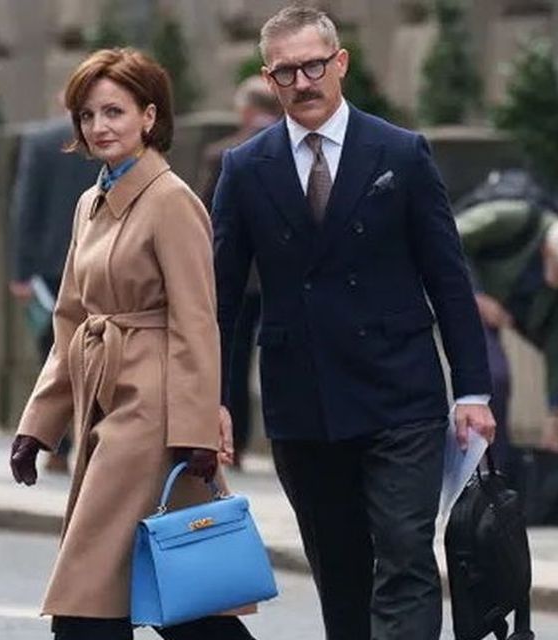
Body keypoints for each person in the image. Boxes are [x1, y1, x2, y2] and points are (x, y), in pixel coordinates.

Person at [212, 7, 496, 640]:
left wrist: (472, 390)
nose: (303, 81)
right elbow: (220, 300)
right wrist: (211, 399)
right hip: (302, 402)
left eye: (314, 65)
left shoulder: (400, 152)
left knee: (404, 557)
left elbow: (448, 280)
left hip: (402, 396)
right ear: (269, 77)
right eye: (285, 72)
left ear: (340, 63)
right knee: (341, 573)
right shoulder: (244, 168)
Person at [8, 48, 256, 640]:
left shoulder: (172, 201)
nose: (99, 127)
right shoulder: (89, 203)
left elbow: (198, 320)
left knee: (88, 597)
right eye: (87, 115)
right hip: (106, 403)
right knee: (177, 594)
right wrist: (38, 425)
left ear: (149, 116)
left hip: (152, 416)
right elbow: (71, 319)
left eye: (114, 112)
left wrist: (198, 430)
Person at [456, 200, 558, 525]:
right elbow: (445, 241)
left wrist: (553, 414)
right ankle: (490, 490)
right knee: (494, 378)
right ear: (547, 251)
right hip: (472, 300)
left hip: (531, 313)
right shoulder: (511, 219)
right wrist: (475, 296)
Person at [9, 100, 101, 474]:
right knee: (101, 355)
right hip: (103, 260)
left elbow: (26, 207)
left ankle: (59, 446)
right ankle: (91, 442)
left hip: (52, 264)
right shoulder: (116, 137)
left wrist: (20, 269)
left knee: (56, 354)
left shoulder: (41, 141)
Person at [198, 76, 282, 469]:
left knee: (232, 354)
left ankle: (235, 445)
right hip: (284, 275)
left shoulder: (224, 154)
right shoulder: (294, 151)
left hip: (240, 275)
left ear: (246, 111)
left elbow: (206, 216)